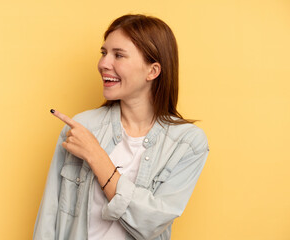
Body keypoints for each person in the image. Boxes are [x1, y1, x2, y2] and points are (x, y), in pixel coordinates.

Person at [33, 14, 209, 240]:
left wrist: (97, 156)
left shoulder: (188, 143)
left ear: (152, 71)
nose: (103, 64)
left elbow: (150, 224)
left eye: (119, 55)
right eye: (104, 53)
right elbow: (49, 216)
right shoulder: (83, 126)